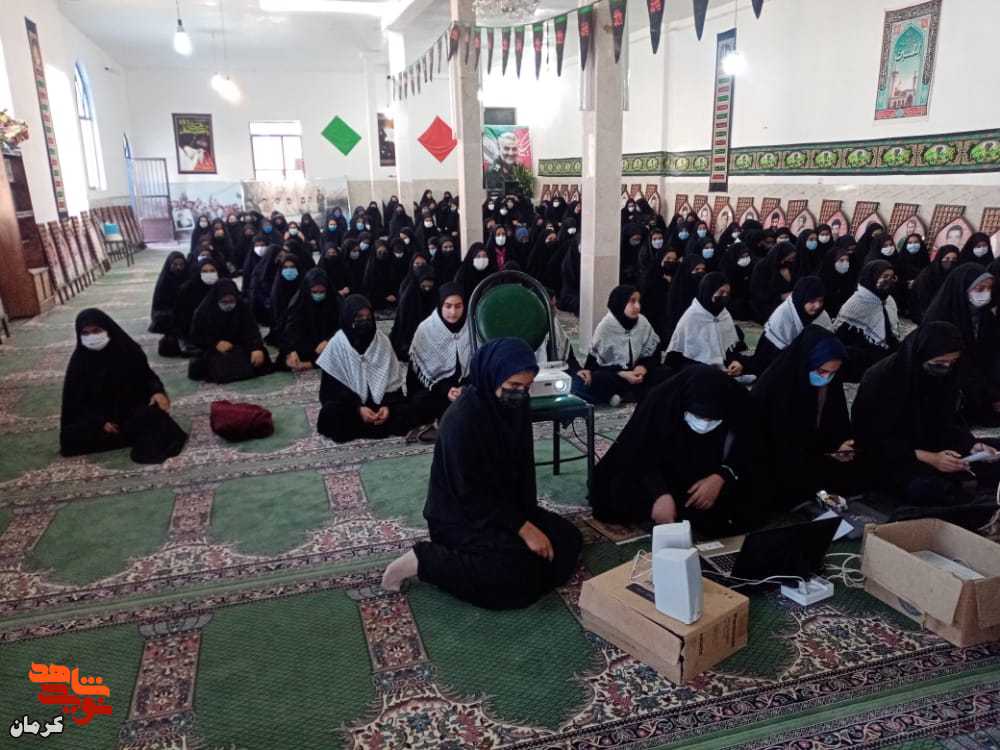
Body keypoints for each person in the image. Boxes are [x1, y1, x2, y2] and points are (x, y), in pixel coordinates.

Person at [380, 338, 583, 609]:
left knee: (569, 540)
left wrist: (527, 517)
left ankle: (516, 562)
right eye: (513, 386)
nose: (520, 394)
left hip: (505, 508)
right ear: (492, 377)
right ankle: (424, 560)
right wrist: (522, 528)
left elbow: (522, 468)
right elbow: (470, 494)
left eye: (526, 387)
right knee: (515, 576)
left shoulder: (515, 406)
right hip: (461, 517)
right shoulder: (461, 420)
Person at [589, 365, 759, 536]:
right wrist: (659, 494)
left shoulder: (738, 401)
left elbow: (749, 448)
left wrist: (721, 476)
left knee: (746, 502)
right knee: (615, 491)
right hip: (658, 471)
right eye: (698, 415)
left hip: (712, 471)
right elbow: (640, 452)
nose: (704, 423)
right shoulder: (661, 400)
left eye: (712, 418)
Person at [852, 322, 1000, 515]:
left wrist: (971, 446)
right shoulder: (881, 379)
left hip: (936, 447)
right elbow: (871, 440)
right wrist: (931, 458)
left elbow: (946, 422)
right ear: (920, 355)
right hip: (893, 458)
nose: (946, 368)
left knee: (994, 451)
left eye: (951, 363)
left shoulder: (944, 376)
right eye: (939, 363)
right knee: (927, 488)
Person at [751, 326, 858, 509]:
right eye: (822, 372)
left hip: (813, 457)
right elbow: (772, 442)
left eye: (833, 373)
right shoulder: (775, 386)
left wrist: (840, 446)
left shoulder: (828, 385)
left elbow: (835, 423)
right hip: (777, 460)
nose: (827, 378)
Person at [60, 309, 187, 463]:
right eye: (85, 333)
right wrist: (99, 422)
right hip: (98, 418)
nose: (92, 337)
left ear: (108, 329)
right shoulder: (79, 362)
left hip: (129, 410)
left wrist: (157, 391)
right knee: (73, 437)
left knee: (152, 416)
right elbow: (75, 403)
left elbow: (147, 376)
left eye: (96, 331)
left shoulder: (128, 350)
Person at [316, 295, 415, 442]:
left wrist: (386, 406)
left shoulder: (381, 341)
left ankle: (374, 423)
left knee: (408, 410)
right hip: (351, 406)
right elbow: (331, 390)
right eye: (359, 317)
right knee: (330, 414)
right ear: (348, 318)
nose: (364, 321)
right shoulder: (337, 344)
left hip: (380, 403)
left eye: (368, 317)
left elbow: (393, 383)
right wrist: (358, 408)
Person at [922, 263, 1000, 425]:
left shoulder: (985, 316)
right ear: (962, 289)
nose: (986, 294)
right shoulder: (940, 318)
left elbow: (991, 354)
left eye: (989, 288)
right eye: (980, 289)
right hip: (951, 382)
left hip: (980, 382)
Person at [574, 285, 662, 405]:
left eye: (638, 301)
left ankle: (624, 395)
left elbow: (654, 352)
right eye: (632, 301)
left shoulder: (642, 322)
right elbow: (594, 365)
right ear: (620, 303)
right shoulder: (606, 327)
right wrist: (623, 374)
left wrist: (643, 367)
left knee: (664, 372)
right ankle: (629, 394)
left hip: (638, 373)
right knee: (598, 378)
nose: (637, 306)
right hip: (615, 375)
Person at [408, 283, 471, 424]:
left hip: (466, 388)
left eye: (458, 306)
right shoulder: (426, 329)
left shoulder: (471, 326)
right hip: (437, 390)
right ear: (440, 305)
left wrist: (464, 388)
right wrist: (446, 390)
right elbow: (418, 377)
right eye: (448, 306)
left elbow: (478, 364)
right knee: (419, 402)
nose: (453, 312)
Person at [664, 272, 749, 377]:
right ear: (709, 291)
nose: (724, 296)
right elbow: (679, 356)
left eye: (727, 293)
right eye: (721, 292)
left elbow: (728, 348)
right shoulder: (692, 316)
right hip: (695, 367)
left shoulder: (724, 314)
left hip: (721, 365)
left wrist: (734, 362)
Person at [188, 279, 271, 383]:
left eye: (232, 301)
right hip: (212, 348)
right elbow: (196, 337)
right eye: (224, 301)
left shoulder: (242, 307)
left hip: (238, 345)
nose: (228, 304)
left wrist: (256, 348)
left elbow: (252, 330)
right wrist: (215, 343)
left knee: (261, 355)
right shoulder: (203, 312)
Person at [833, 260, 900, 382]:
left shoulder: (888, 300)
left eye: (892, 277)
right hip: (861, 355)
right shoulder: (855, 304)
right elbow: (842, 338)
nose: (889, 280)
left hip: (884, 351)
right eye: (885, 276)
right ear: (872, 278)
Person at [752, 276, 833, 374]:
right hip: (776, 362)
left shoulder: (821, 315)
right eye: (812, 301)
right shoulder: (783, 316)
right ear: (802, 298)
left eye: (820, 301)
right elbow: (773, 356)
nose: (817, 306)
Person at [279, 268, 341, 372]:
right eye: (314, 292)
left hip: (329, 341)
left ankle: (309, 364)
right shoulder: (299, 302)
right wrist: (292, 350)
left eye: (322, 292)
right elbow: (290, 329)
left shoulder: (335, 301)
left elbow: (343, 325)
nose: (318, 295)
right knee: (288, 356)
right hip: (308, 343)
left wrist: (329, 340)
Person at [389, 265, 437, 361]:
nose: (427, 289)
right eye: (424, 286)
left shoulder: (435, 295)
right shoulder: (409, 297)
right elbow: (404, 326)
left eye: (429, 286)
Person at [149, 251, 189, 354]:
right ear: (169, 265)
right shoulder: (164, 282)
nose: (178, 267)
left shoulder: (188, 278)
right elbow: (158, 306)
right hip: (169, 313)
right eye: (175, 264)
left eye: (181, 264)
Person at [749, 242, 799, 324]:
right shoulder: (762, 267)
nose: (792, 260)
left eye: (793, 258)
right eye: (790, 258)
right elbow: (759, 292)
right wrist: (780, 296)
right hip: (767, 303)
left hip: (788, 301)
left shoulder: (789, 265)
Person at [909, 244, 959, 324]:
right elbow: (922, 298)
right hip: (925, 313)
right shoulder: (928, 274)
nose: (950, 261)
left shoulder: (956, 275)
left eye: (954, 259)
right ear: (940, 258)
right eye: (947, 258)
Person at [818, 240, 858, 318]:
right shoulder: (821, 281)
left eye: (847, 260)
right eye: (841, 260)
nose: (845, 263)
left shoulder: (849, 277)